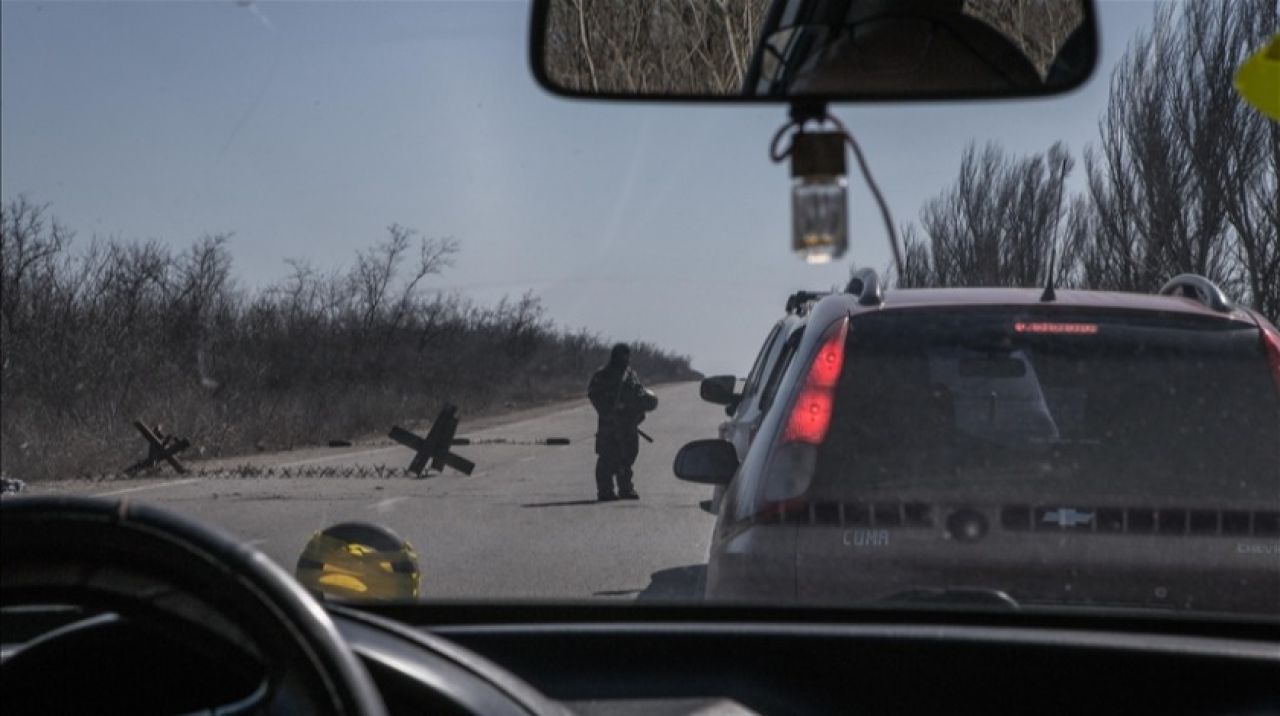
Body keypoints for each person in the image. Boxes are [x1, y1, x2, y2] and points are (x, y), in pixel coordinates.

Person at [587, 343, 649, 502]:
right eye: (623, 355)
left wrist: (640, 408)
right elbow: (593, 393)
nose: (626, 358)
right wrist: (607, 410)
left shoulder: (630, 374)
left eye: (627, 355)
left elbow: (639, 392)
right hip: (610, 423)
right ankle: (605, 490)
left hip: (629, 423)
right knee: (607, 457)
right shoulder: (603, 374)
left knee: (628, 456)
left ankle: (626, 488)